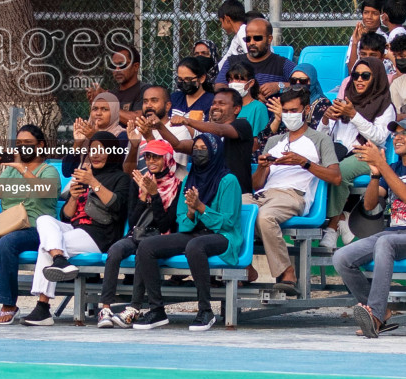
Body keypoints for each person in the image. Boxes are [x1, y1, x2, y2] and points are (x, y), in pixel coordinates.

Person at [332, 116, 406, 338]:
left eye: (404, 133)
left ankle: (374, 314)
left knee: (385, 241)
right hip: (393, 233)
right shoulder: (393, 167)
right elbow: (370, 204)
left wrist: (382, 166)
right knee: (341, 257)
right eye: (396, 133)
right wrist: (375, 174)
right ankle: (380, 314)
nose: (398, 138)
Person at [128, 132, 242, 331]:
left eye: (203, 149)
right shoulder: (190, 178)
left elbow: (228, 222)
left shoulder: (229, 180)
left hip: (223, 236)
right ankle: (157, 310)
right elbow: (183, 222)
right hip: (195, 233)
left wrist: (201, 208)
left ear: (215, 152)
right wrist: (190, 213)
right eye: (195, 149)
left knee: (195, 245)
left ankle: (205, 310)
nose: (198, 153)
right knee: (147, 246)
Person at [23, 132, 131, 326]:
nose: (95, 154)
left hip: (99, 235)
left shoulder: (121, 179)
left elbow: (117, 206)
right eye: (92, 150)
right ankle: (59, 259)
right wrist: (73, 196)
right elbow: (66, 216)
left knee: (46, 247)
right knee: (45, 220)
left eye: (101, 150)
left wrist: (94, 183)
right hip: (76, 230)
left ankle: (43, 307)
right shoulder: (83, 177)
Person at [0, 126, 60, 324]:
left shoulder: (49, 171)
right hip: (8, 226)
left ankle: (9, 304)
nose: (23, 148)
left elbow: (43, 192)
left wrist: (22, 169)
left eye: (28, 144)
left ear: (40, 145)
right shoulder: (10, 172)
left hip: (34, 229)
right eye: (19, 144)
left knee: (6, 243)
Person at [250, 90, 341, 291]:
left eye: (294, 110)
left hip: (293, 195)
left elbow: (335, 177)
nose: (289, 115)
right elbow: (257, 184)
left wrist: (304, 162)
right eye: (285, 111)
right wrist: (263, 166)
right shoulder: (274, 141)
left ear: (306, 110)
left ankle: (287, 273)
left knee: (265, 217)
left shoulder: (319, 140)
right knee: (231, 208)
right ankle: (245, 267)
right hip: (264, 194)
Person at [96, 138, 181, 327]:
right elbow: (133, 221)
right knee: (116, 250)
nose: (151, 161)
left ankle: (134, 308)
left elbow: (166, 224)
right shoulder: (139, 182)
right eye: (148, 157)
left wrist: (156, 196)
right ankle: (106, 307)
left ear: (167, 159)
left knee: (144, 250)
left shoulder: (177, 186)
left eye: (156, 157)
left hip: (161, 237)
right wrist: (143, 197)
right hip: (138, 233)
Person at [321, 56, 395, 242]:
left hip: (368, 153)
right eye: (355, 75)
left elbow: (378, 137)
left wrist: (353, 115)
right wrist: (325, 119)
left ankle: (331, 226)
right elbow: (324, 136)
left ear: (376, 78)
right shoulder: (344, 101)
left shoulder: (385, 105)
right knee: (316, 166)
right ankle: (341, 219)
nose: (359, 80)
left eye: (365, 76)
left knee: (340, 172)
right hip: (339, 150)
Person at [170, 87, 255, 201]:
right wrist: (159, 127)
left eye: (221, 103)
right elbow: (178, 146)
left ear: (236, 109)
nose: (215, 106)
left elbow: (220, 130)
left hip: (237, 195)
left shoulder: (242, 125)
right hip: (208, 195)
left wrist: (187, 121)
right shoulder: (208, 136)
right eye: (214, 103)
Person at [216, 16, 294, 91]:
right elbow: (218, 86)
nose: (251, 42)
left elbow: (303, 86)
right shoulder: (232, 62)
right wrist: (250, 94)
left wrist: (279, 86)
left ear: (269, 39)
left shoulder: (282, 64)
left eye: (257, 38)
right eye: (248, 39)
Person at [64, 92, 128, 178]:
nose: (98, 113)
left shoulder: (121, 135)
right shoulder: (85, 133)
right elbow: (67, 171)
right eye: (95, 109)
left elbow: (114, 167)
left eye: (104, 109)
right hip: (81, 186)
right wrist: (77, 143)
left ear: (114, 112)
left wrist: (95, 138)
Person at [344, 0, 387, 72]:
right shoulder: (356, 36)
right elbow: (351, 70)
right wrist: (355, 43)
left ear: (382, 16)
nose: (369, 17)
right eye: (366, 12)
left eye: (375, 13)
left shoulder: (385, 39)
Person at [103, 44, 146, 114]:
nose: (117, 70)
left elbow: (138, 120)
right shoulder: (111, 94)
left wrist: (107, 102)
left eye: (122, 65)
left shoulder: (146, 91)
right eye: (113, 66)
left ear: (135, 66)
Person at [216, 0, 250, 65]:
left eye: (221, 22)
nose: (222, 26)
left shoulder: (243, 31)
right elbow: (224, 62)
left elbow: (252, 58)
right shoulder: (236, 38)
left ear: (227, 19)